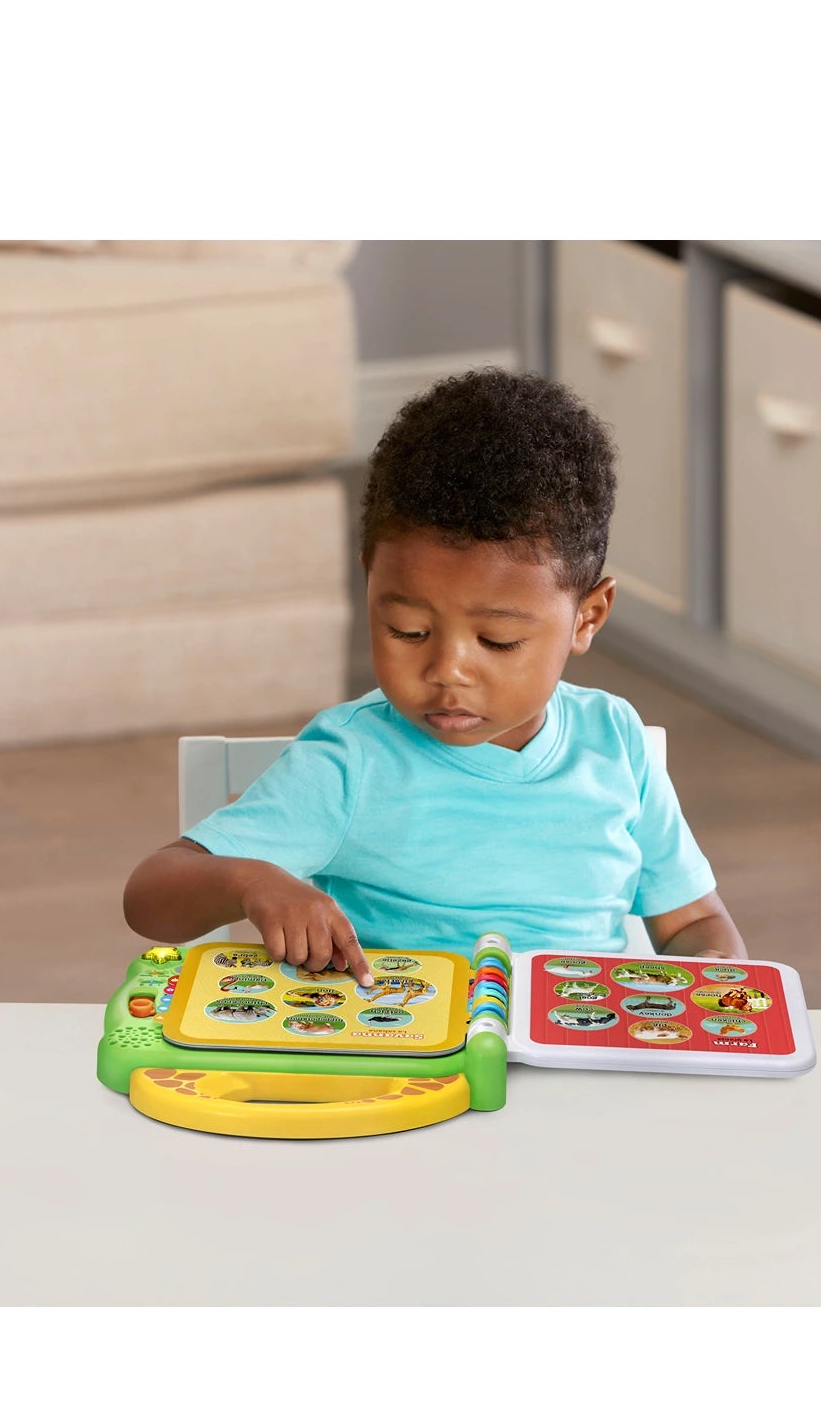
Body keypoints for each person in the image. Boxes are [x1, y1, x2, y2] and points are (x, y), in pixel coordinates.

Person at [123, 368, 745, 979]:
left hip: (574, 1038)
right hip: (397, 1042)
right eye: (408, 631)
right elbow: (151, 893)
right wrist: (251, 880)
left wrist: (713, 968)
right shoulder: (351, 762)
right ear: (371, 581)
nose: (447, 671)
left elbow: (693, 922)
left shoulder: (615, 742)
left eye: (498, 641)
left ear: (588, 618)